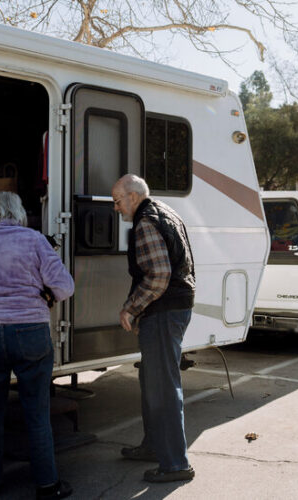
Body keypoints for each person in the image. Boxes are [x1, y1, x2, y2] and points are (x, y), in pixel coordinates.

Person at [0, 191, 75, 500]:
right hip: (29, 332)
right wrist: (44, 295)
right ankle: (48, 486)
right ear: (19, 213)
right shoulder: (35, 240)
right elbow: (65, 287)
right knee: (36, 412)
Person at [111, 174, 196, 483]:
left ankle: (175, 464)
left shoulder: (146, 222)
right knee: (152, 380)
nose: (117, 208)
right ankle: (154, 446)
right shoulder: (166, 211)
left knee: (163, 387)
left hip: (164, 311)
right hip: (171, 308)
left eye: (118, 201)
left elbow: (159, 276)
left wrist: (132, 308)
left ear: (133, 197)